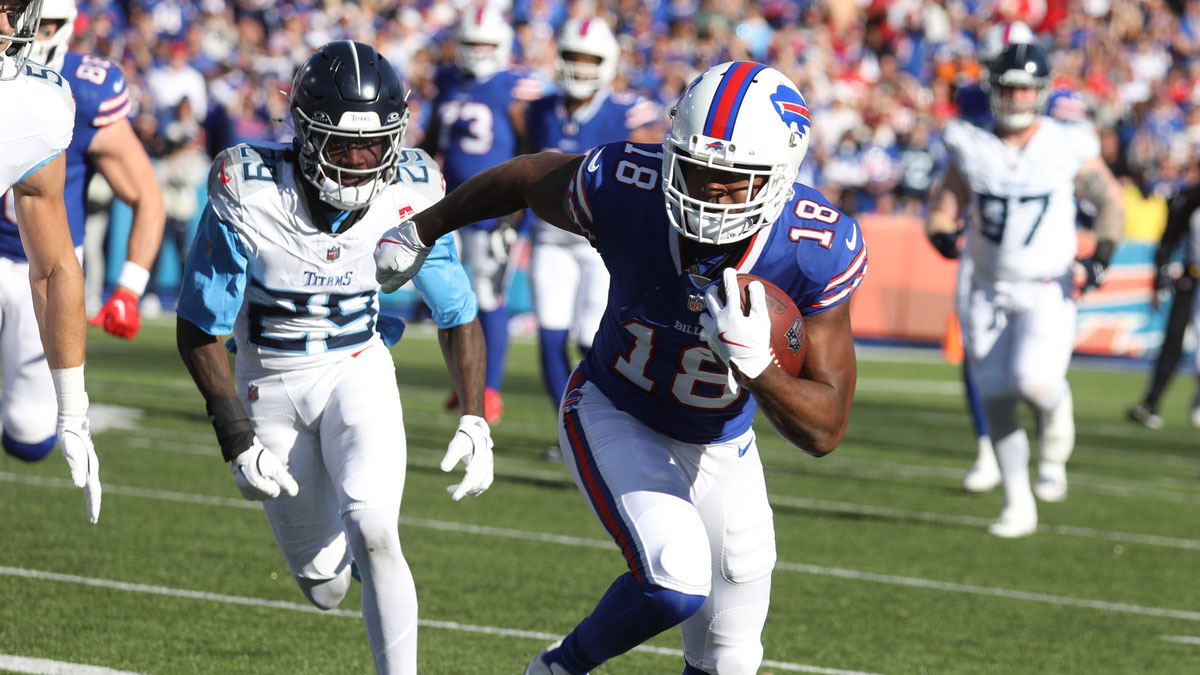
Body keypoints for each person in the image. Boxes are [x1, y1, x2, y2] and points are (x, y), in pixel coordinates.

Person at [380, 61, 864, 675]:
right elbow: (526, 177)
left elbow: (825, 429)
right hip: (616, 408)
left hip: (722, 440)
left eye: (731, 180)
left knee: (732, 659)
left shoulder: (813, 248)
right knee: (675, 575)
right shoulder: (630, 187)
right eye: (695, 169)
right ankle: (558, 667)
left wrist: (758, 368)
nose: (707, 192)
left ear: (779, 178)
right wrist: (421, 229)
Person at [175, 41, 494, 674]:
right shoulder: (249, 187)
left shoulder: (413, 189)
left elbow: (458, 314)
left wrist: (477, 416)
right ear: (302, 131)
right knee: (325, 586)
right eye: (341, 145)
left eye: (373, 147)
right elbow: (198, 328)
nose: (357, 162)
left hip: (359, 367)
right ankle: (329, 557)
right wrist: (235, 436)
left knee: (375, 530)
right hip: (268, 381)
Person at [926, 43, 1124, 538]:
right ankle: (1018, 502)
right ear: (993, 90)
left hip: (1046, 284)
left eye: (1023, 89)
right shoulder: (972, 143)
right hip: (986, 286)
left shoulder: (1066, 142)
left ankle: (1057, 415)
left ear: (1041, 92)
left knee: (1034, 383)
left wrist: (1101, 254)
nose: (1015, 98)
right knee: (994, 395)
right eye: (1007, 87)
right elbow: (944, 204)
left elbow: (1110, 201)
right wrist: (942, 232)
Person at [952, 20, 1088, 494]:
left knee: (1034, 379)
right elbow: (956, 175)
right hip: (985, 252)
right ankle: (990, 452)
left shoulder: (1064, 127)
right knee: (988, 377)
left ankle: (1047, 452)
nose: (1013, 95)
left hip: (1042, 261)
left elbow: (1081, 166)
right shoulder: (970, 106)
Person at [2, 0, 165, 378]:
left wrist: (129, 288)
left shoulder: (83, 91)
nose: (28, 35)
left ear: (67, 27)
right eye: (16, 19)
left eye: (45, 26)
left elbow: (146, 195)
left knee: (31, 425)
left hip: (47, 267)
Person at [521, 16, 659, 457]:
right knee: (548, 340)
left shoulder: (627, 112)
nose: (579, 68)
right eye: (571, 57)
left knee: (593, 339)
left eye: (589, 59)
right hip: (548, 240)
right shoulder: (539, 108)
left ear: (608, 62)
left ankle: (617, 430)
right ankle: (572, 434)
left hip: (600, 246)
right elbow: (523, 172)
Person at [419, 6, 548, 424]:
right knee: (453, 298)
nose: (476, 52)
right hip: (450, 204)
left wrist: (518, 209)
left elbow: (532, 151)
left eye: (485, 45)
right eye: (470, 43)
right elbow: (433, 140)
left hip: (495, 213)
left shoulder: (516, 87)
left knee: (488, 297)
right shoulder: (449, 82)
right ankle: (467, 382)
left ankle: (488, 390)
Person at [0, 0, 100, 523]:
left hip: (14, 263)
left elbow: (55, 266)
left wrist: (74, 409)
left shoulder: (34, 102)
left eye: (10, 9)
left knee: (27, 434)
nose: (3, 26)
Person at [1127, 181, 1200, 429]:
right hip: (1192, 277)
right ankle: (1152, 401)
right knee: (1173, 338)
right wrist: (1161, 275)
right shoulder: (1189, 199)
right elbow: (1169, 239)